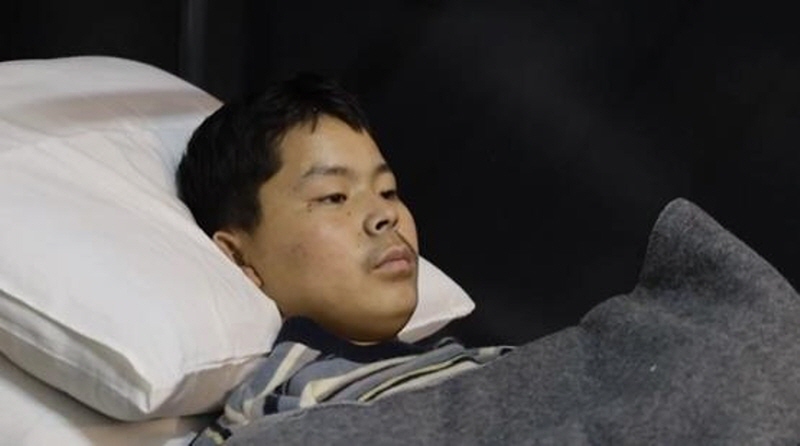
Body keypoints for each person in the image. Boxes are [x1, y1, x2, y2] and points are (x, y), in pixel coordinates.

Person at [176, 73, 511, 445]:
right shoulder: (282, 404)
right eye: (334, 196)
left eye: (388, 191)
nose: (386, 214)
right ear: (239, 256)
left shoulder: (474, 361)